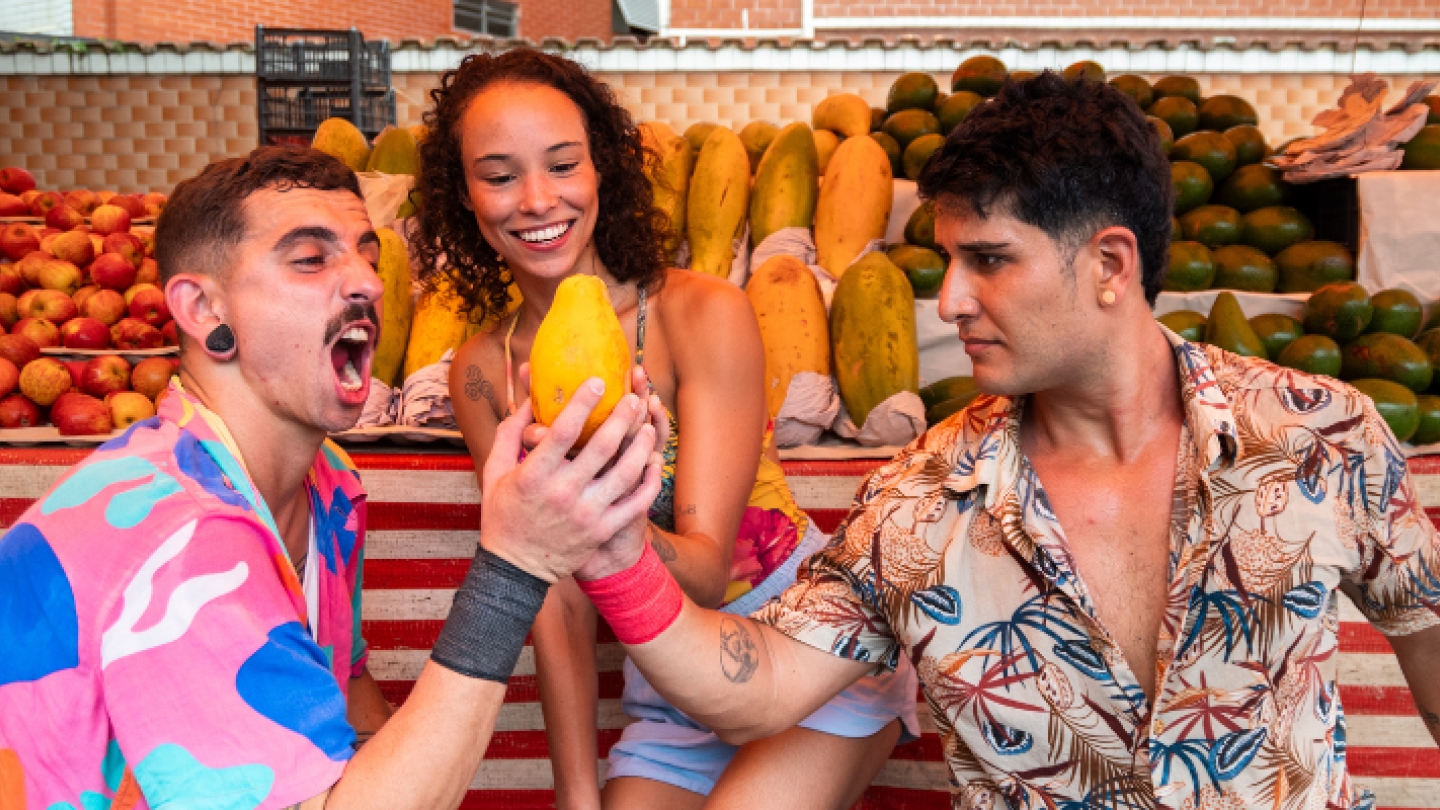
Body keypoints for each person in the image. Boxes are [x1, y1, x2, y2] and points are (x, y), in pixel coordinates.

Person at [541, 71, 1440, 809]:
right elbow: (757, 688)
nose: (951, 301)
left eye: (991, 260)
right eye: (950, 261)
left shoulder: (1322, 435)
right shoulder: (921, 499)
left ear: (1110, 266)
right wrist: (617, 544)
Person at [0, 146, 665, 810]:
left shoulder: (329, 486)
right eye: (311, 259)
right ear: (202, 308)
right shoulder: (177, 537)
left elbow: (344, 703)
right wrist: (514, 566)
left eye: (368, 258)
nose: (369, 285)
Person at [415, 49, 920, 809]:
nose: (537, 200)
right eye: (498, 175)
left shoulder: (702, 313)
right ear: (463, 194)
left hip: (806, 647)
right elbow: (552, 596)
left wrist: (584, 513)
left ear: (602, 171)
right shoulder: (483, 373)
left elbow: (709, 569)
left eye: (561, 165)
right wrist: (576, 794)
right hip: (669, 682)